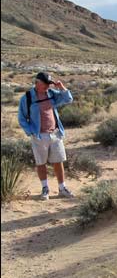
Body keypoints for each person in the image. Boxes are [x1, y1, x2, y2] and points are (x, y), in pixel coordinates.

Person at [18, 72, 74, 200]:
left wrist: (61, 87)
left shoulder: (51, 94)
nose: (47, 87)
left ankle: (62, 188)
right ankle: (45, 189)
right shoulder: (27, 98)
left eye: (49, 84)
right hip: (39, 136)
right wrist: (31, 132)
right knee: (41, 163)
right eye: (45, 84)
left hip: (55, 133)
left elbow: (68, 99)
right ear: (37, 83)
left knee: (58, 162)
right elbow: (21, 118)